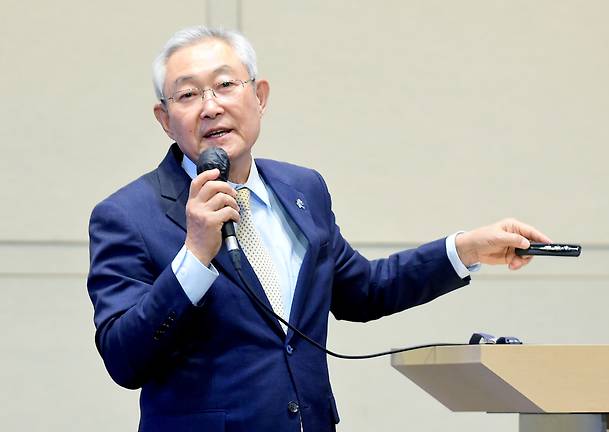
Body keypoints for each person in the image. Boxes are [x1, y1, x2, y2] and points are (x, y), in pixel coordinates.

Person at [87, 26, 551, 432]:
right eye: (188, 95)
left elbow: (363, 290)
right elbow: (124, 359)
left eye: (226, 85)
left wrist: (465, 248)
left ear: (260, 96)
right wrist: (194, 255)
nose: (210, 107)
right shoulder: (128, 215)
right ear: (165, 120)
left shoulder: (301, 189)